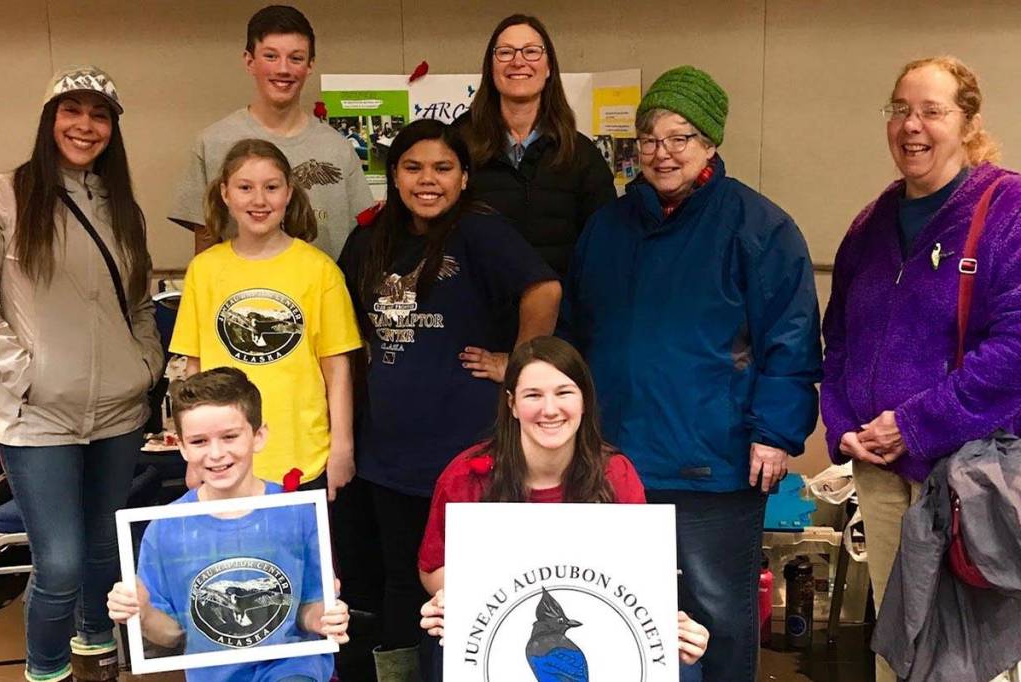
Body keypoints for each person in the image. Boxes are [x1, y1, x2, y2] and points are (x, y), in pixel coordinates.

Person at [558, 66, 822, 682]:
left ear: (710, 144)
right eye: (649, 138)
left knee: (716, 616)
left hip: (714, 461)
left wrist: (775, 433)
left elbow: (791, 338)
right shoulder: (607, 227)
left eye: (680, 137)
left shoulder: (759, 227)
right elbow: (575, 330)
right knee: (616, 612)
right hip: (613, 458)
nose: (662, 152)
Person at [820, 56, 1021, 682]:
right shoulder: (871, 222)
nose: (913, 126)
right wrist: (843, 427)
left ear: (968, 121)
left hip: (970, 474)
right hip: (880, 472)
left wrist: (914, 424)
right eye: (901, 109)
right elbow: (841, 340)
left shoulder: (1007, 208)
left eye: (932, 111)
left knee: (972, 654)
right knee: (900, 643)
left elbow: (1016, 347)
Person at [338, 118, 561, 679]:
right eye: (413, 168)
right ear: (393, 175)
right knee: (397, 579)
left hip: (466, 450)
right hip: (386, 448)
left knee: (467, 579)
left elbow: (544, 287)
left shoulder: (481, 232)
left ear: (464, 178)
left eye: (443, 168)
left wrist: (519, 363)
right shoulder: (370, 239)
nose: (427, 180)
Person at [0, 66, 163, 682]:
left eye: (100, 115)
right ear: (50, 119)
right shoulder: (7, 196)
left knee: (101, 555)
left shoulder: (124, 208)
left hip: (118, 412)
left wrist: (145, 366)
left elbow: (142, 303)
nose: (85, 126)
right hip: (37, 414)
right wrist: (23, 373)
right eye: (73, 111)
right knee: (60, 563)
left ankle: (98, 655)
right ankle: (45, 669)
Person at [417, 336, 711, 682]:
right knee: (445, 652)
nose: (550, 409)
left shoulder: (615, 473)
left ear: (584, 400)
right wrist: (459, 599)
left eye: (564, 392)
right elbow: (433, 568)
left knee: (684, 668)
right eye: (533, 395)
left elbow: (640, 576)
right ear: (511, 403)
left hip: (599, 621)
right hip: (500, 625)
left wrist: (674, 629)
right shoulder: (467, 474)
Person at [107, 367, 351, 681]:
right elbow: (172, 634)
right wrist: (140, 611)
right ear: (181, 446)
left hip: (293, 669)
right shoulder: (165, 529)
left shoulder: (296, 512)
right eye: (199, 441)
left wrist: (323, 618)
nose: (216, 453)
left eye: (230, 436)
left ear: (259, 436)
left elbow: (308, 608)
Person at [170, 138, 361, 497]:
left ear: (288, 193)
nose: (259, 200)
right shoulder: (204, 270)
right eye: (245, 188)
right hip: (224, 457)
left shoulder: (319, 270)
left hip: (302, 457)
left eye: (271, 187)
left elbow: (337, 368)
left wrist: (342, 448)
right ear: (226, 194)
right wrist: (193, 456)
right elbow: (194, 370)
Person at [169, 4, 373, 260]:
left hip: (321, 294)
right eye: (271, 56)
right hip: (242, 297)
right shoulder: (212, 143)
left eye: (296, 58)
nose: (283, 69)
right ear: (249, 61)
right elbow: (205, 242)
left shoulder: (338, 148)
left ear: (310, 65)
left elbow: (363, 238)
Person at [456, 14, 616, 278]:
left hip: (559, 315)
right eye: (505, 52)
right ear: (490, 68)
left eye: (531, 51)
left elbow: (606, 250)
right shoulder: (456, 148)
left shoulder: (582, 155)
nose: (518, 61)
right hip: (477, 314)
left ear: (549, 67)